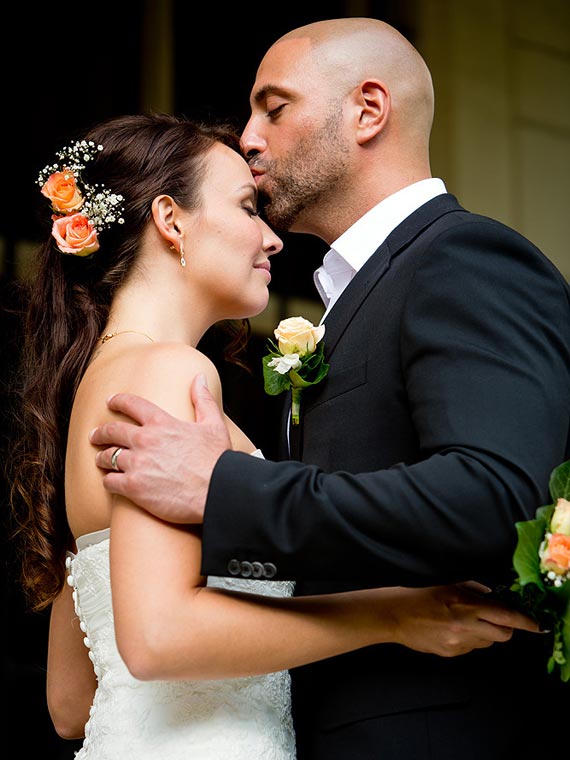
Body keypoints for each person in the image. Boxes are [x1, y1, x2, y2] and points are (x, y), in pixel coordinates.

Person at [89, 18, 570, 760]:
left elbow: (499, 496)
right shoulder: (338, 310)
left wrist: (225, 488)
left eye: (272, 109)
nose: (248, 139)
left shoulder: (465, 258)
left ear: (368, 110)